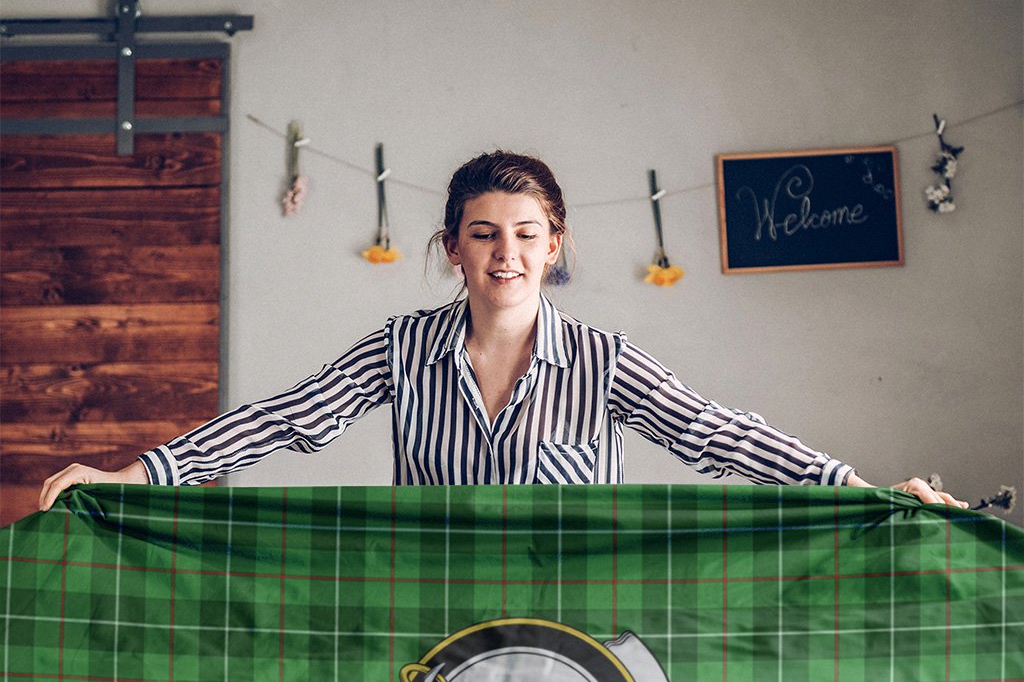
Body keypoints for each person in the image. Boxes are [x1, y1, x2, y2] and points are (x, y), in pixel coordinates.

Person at [38, 150, 967, 511]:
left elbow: (719, 433)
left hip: (580, 631)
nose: (506, 254)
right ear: (453, 248)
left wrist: (862, 488)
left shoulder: (604, 362)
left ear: (555, 245)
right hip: (437, 626)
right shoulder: (401, 348)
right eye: (484, 234)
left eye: (527, 236)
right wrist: (133, 476)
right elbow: (283, 420)